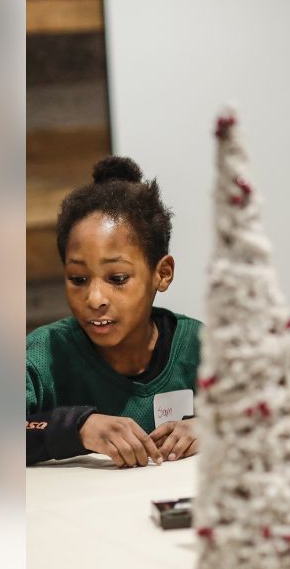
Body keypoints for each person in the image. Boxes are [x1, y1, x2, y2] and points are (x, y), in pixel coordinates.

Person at [26, 157, 203, 467]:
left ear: (162, 273)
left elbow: (272, 418)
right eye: (78, 279)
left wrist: (216, 428)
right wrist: (76, 427)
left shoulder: (202, 348)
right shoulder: (44, 357)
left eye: (117, 278)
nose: (94, 298)